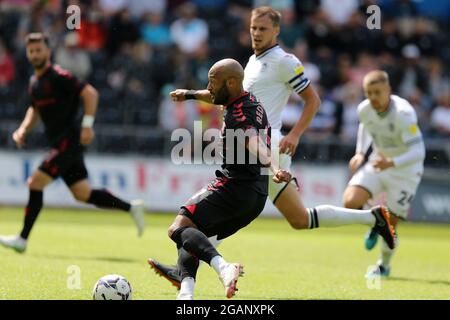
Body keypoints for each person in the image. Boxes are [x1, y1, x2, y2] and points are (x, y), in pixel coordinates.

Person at [148, 7, 397, 290]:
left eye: (263, 29)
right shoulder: (252, 62)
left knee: (200, 222)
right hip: (254, 144)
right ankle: (372, 217)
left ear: (277, 30)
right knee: (300, 219)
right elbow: (224, 97)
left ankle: (193, 278)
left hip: (267, 146)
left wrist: (295, 135)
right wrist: (190, 94)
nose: (256, 33)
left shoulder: (284, 61)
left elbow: (312, 101)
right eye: (253, 28)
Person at [0, 33, 145, 254]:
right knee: (82, 193)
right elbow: (35, 109)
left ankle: (22, 239)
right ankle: (131, 207)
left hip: (69, 142)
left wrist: (87, 124)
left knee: (35, 183)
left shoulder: (58, 75)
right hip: (61, 143)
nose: (35, 54)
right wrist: (23, 129)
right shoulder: (34, 82)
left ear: (48, 52)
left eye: (39, 50)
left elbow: (90, 93)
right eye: (31, 51)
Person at [164, 58, 291, 300]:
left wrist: (275, 167)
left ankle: (224, 268)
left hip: (235, 187)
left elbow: (253, 142)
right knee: (194, 236)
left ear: (230, 83)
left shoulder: (239, 115)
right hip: (255, 196)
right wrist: (189, 94)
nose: (209, 87)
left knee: (178, 228)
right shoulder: (246, 98)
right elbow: (213, 97)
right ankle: (185, 296)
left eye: (213, 82)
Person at [343, 70, 425, 277]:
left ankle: (384, 266)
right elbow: (366, 126)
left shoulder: (403, 113)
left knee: (392, 225)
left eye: (377, 92)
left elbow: (418, 151)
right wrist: (360, 153)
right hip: (379, 162)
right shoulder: (364, 109)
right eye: (368, 93)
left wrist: (393, 162)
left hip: (406, 171)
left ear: (388, 90)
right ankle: (374, 220)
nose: (373, 97)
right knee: (350, 201)